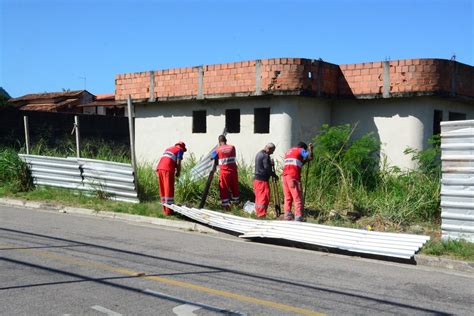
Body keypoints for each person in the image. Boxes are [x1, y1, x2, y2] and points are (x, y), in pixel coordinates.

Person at [282, 141, 313, 221]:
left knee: (288, 197)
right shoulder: (300, 150)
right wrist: (310, 150)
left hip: (285, 176)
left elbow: (300, 163)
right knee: (297, 197)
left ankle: (287, 215)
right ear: (303, 148)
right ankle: (298, 216)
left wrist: (305, 160)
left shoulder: (289, 152)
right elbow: (310, 157)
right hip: (293, 176)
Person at [156, 141, 187, 215]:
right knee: (169, 188)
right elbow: (178, 162)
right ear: (182, 147)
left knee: (163, 188)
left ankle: (165, 209)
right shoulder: (180, 150)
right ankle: (169, 211)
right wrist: (178, 172)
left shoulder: (168, 149)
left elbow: (169, 159)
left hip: (160, 168)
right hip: (168, 169)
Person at [211, 135, 239, 209]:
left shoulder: (218, 149)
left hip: (224, 173)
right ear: (226, 140)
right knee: (235, 186)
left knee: (224, 188)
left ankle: (225, 205)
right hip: (233, 171)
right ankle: (236, 204)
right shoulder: (232, 147)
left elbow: (212, 157)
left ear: (219, 142)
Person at [253, 143, 277, 218]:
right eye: (272, 151)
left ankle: (258, 213)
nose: (272, 153)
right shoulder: (265, 156)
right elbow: (267, 168)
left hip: (257, 180)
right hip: (262, 180)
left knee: (258, 197)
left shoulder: (259, 154)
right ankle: (261, 214)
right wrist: (274, 174)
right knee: (264, 197)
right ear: (269, 148)